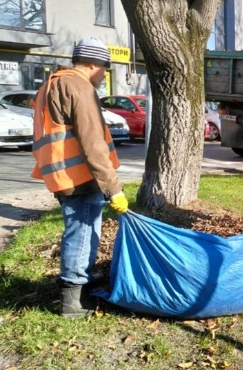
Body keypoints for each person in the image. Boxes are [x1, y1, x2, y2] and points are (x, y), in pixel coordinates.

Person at [31, 37, 128, 318]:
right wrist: (113, 188)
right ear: (90, 65)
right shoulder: (79, 87)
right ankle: (74, 300)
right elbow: (92, 143)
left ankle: (79, 282)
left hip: (62, 174)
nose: (103, 76)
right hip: (81, 177)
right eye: (103, 70)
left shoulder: (51, 83)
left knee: (77, 231)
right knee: (83, 234)